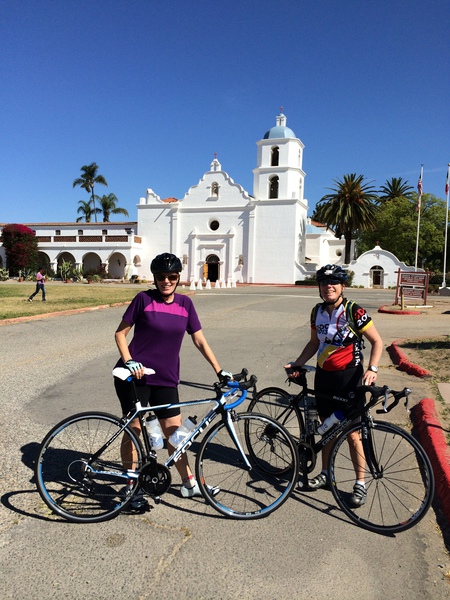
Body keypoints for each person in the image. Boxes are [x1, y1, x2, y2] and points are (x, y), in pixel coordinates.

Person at [113, 252, 230, 511]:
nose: (166, 281)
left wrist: (219, 370)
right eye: (161, 277)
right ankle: (130, 488)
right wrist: (130, 361)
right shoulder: (143, 299)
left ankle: (189, 483)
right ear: (154, 278)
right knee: (135, 430)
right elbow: (120, 334)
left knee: (175, 436)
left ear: (178, 278)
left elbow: (199, 339)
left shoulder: (185, 305)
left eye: (172, 277)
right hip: (135, 377)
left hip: (166, 378)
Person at [285, 264, 383, 507]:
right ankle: (327, 475)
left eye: (334, 282)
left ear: (342, 286)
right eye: (324, 283)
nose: (329, 286)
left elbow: (377, 341)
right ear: (319, 287)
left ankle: (360, 484)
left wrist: (372, 369)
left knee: (352, 434)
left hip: (349, 378)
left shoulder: (353, 310)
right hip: (324, 377)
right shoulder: (316, 311)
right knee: (327, 428)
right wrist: (297, 363)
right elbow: (313, 343)